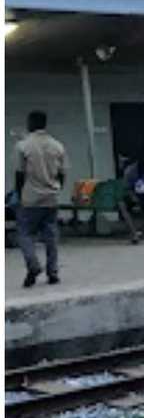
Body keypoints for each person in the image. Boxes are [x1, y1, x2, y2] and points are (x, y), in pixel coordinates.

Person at [13, 110, 67, 288]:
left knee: (25, 233)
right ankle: (53, 273)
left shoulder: (23, 146)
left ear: (31, 123)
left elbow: (19, 174)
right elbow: (62, 174)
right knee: (51, 236)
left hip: (30, 197)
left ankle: (33, 265)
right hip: (51, 197)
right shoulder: (57, 145)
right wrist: (57, 188)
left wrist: (18, 194)